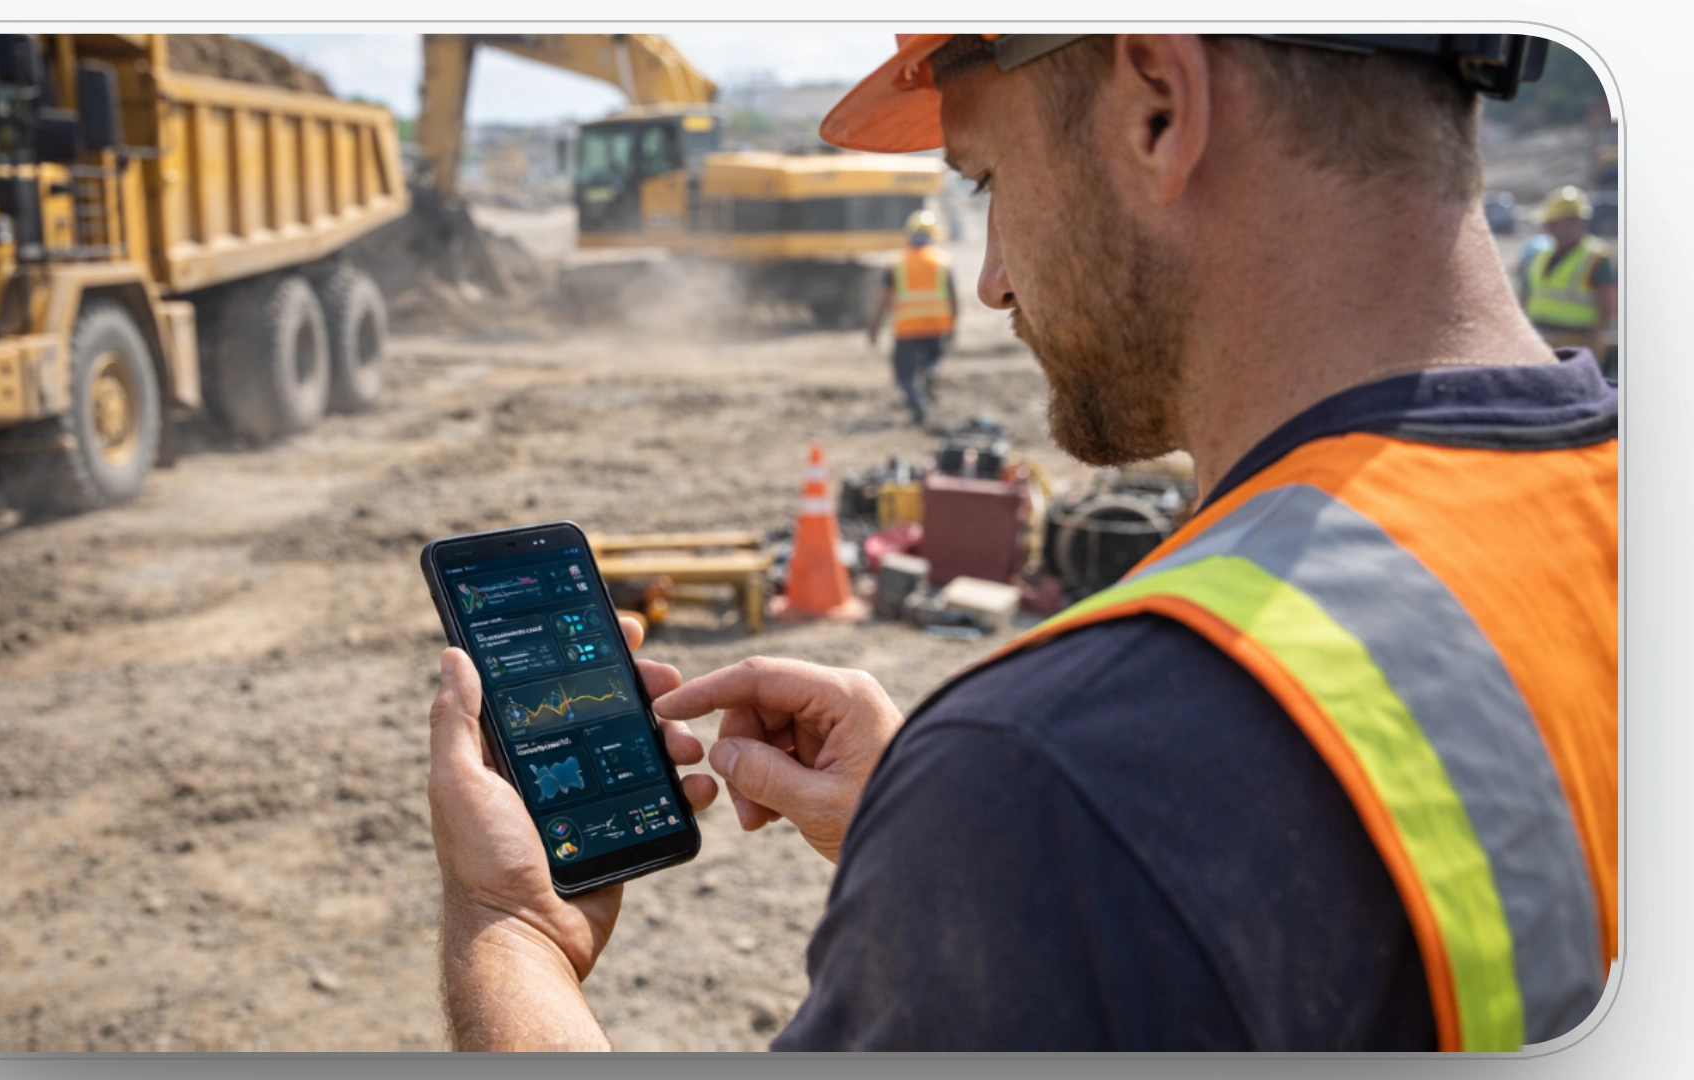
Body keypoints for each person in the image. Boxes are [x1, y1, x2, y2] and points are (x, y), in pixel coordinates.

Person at [426, 34, 1616, 1051]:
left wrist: (511, 932)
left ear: (1160, 105)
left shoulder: (1059, 770)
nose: (989, 280)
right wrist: (977, 857)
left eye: (988, 177)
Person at [867, 209, 959, 424]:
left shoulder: (897, 262)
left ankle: (919, 408)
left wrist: (874, 328)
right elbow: (953, 297)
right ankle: (930, 378)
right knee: (930, 363)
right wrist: (953, 325)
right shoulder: (943, 261)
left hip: (908, 327)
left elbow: (882, 300)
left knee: (904, 374)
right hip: (937, 324)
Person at [1518, 185, 1618, 379]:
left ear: (1574, 222)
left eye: (1553, 224)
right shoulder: (1539, 255)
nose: (1548, 229)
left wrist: (1594, 352)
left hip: (1577, 345)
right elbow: (1525, 297)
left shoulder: (1595, 257)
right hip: (1540, 343)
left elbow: (1608, 309)